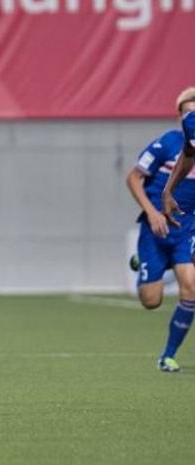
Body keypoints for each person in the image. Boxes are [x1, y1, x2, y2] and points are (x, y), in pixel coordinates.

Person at [131, 87, 195, 372]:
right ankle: (143, 261)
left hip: (187, 225)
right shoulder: (167, 143)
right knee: (151, 300)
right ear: (180, 115)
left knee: (190, 289)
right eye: (188, 112)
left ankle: (168, 355)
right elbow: (133, 177)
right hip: (156, 227)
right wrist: (152, 210)